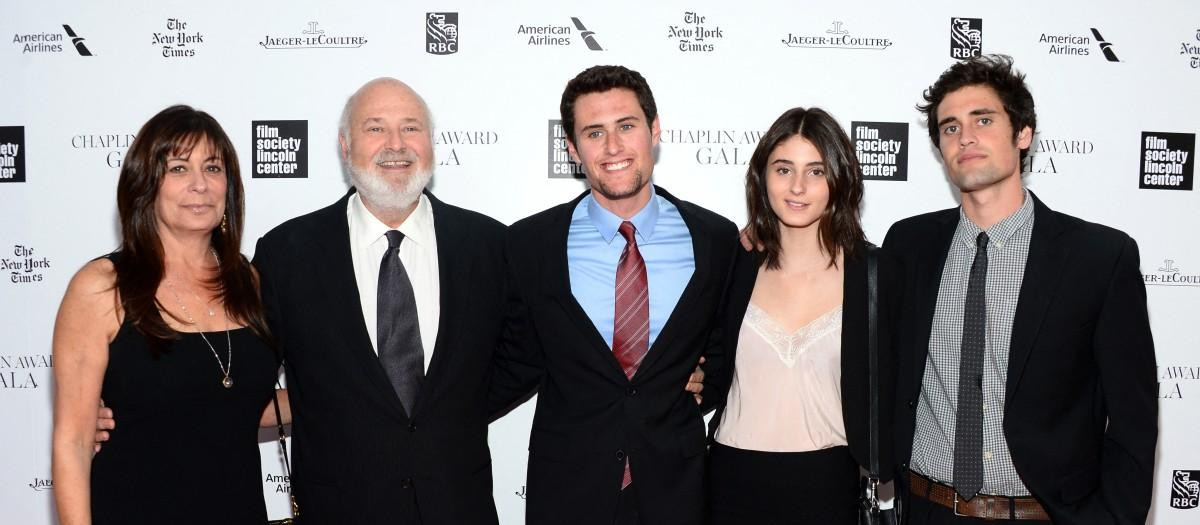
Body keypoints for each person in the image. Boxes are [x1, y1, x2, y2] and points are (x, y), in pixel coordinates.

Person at [885, 55, 1157, 524]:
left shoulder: (1098, 257)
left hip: (1042, 514)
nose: (965, 136)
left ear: (1023, 134)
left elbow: (1133, 417)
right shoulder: (909, 245)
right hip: (925, 509)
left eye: (983, 120)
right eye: (949, 128)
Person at [250, 77, 509, 524]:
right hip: (336, 509)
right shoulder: (287, 253)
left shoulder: (490, 246)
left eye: (411, 128)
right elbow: (243, 377)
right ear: (345, 146)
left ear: (431, 143)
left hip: (458, 507)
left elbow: (524, 357)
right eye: (375, 129)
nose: (396, 144)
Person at [490, 65, 737, 525]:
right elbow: (514, 359)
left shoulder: (716, 240)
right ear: (572, 148)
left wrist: (709, 380)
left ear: (654, 130)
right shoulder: (530, 245)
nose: (613, 147)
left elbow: (731, 346)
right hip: (567, 491)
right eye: (594, 132)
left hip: (678, 490)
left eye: (626, 126)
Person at [52, 105, 278, 524]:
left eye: (213, 168)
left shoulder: (250, 281)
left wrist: (348, 399)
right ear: (145, 185)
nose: (199, 184)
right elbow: (74, 442)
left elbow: (234, 402)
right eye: (178, 168)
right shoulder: (102, 286)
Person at [708, 107, 897, 524]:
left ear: (839, 178)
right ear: (762, 176)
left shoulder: (874, 274)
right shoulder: (734, 265)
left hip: (827, 485)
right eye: (783, 169)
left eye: (815, 171)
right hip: (729, 480)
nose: (797, 186)